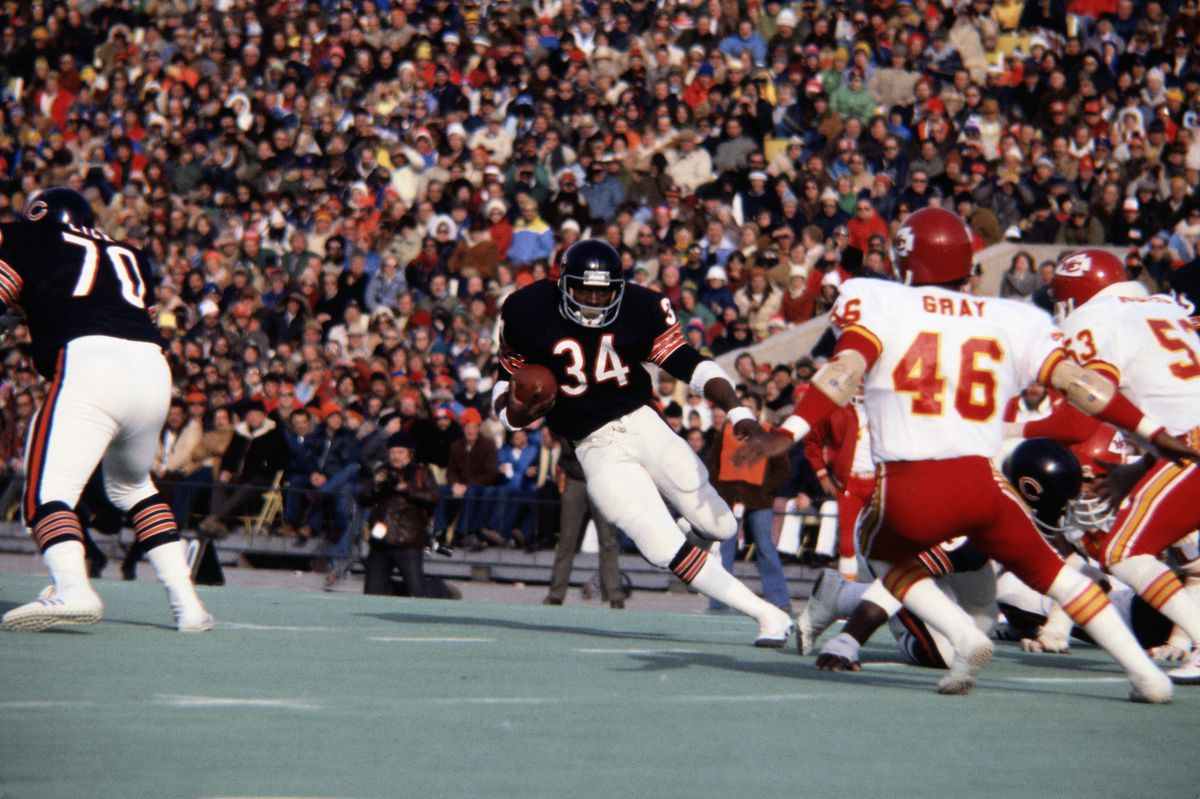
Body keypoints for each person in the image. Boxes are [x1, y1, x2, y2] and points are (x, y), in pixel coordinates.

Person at [742, 207, 1197, 701]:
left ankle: (963, 636)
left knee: (881, 553)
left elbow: (843, 371)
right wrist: (1150, 428)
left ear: (906, 263)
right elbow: (1080, 385)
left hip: (912, 482)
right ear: (969, 264)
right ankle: (1145, 675)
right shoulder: (1008, 316)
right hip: (985, 486)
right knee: (1060, 577)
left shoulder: (878, 302)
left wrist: (789, 428)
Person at [496, 239, 793, 646]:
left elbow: (688, 361)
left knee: (721, 524)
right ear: (563, 283)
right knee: (658, 543)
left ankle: (698, 541)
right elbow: (503, 388)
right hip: (594, 446)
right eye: (584, 289)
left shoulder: (642, 306)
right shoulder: (527, 310)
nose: (594, 300)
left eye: (604, 291)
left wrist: (737, 409)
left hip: (643, 423)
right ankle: (767, 614)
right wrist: (516, 414)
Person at [1, 188, 212, 633]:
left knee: (45, 493)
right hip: (152, 368)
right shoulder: (129, 253)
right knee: (134, 486)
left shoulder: (24, 238)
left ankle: (73, 587)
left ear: (37, 215)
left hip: (89, 362)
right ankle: (187, 604)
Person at [1052, 248, 1200, 685]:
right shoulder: (1163, 307)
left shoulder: (1093, 319)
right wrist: (1132, 473)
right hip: (1186, 441)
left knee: (1120, 551)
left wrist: (1010, 429)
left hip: (1191, 445)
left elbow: (1080, 410)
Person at [704, 394, 792, 613]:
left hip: (758, 499)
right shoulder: (725, 432)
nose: (746, 411)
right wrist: (719, 491)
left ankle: (779, 599)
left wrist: (765, 489)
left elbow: (783, 469)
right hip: (728, 499)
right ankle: (718, 600)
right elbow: (712, 464)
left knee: (765, 547)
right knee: (724, 549)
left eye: (751, 406)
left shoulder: (769, 433)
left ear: (758, 411)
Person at [544, 445, 626, 609]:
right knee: (567, 540)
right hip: (575, 477)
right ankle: (556, 593)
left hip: (601, 478)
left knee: (608, 540)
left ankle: (614, 594)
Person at [360, 431, 438, 597]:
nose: (396, 456)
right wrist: (374, 486)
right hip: (380, 540)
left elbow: (433, 497)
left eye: (401, 452)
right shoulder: (382, 471)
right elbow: (362, 499)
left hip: (408, 540)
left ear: (410, 453)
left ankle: (438, 591)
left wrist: (408, 489)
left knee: (415, 591)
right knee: (372, 592)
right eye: (393, 452)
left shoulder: (420, 472)